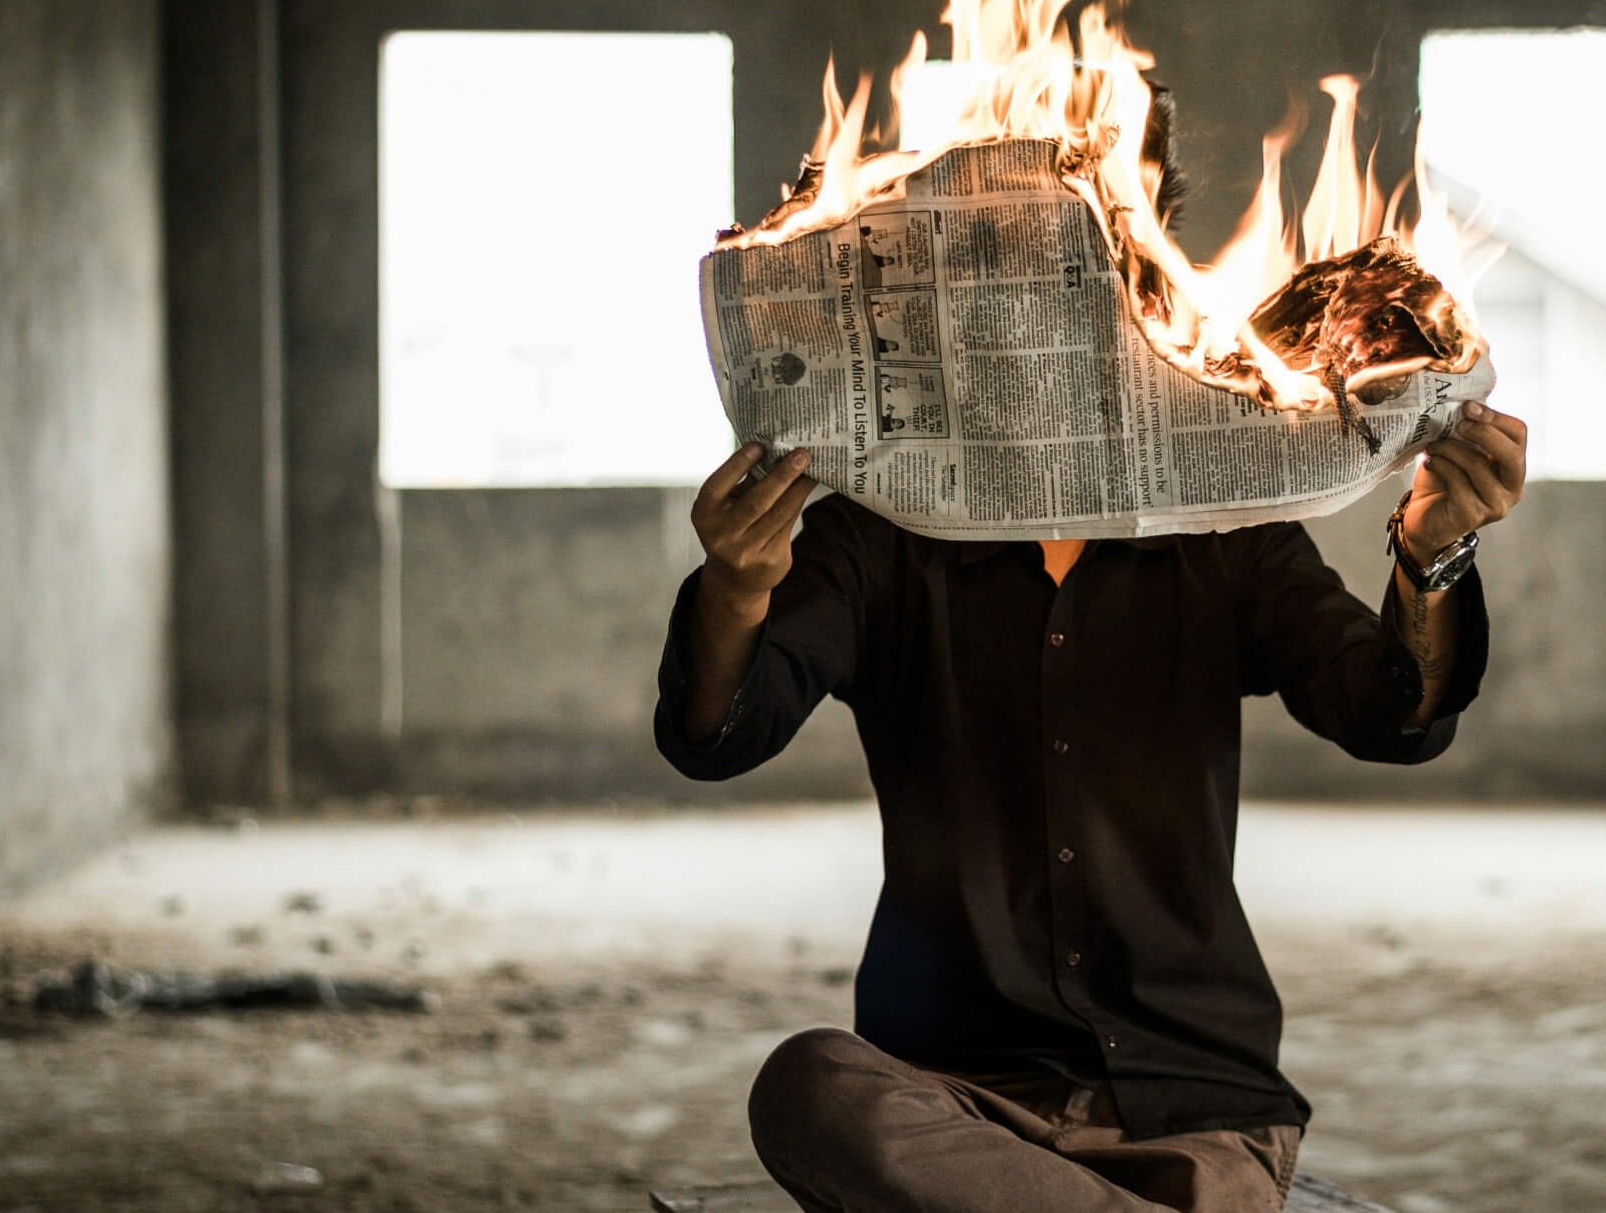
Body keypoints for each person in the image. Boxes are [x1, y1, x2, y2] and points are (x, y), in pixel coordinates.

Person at [654, 399, 1526, 1212]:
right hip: (956, 1100)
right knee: (809, 1086)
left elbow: (1390, 716)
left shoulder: (1224, 536)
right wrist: (736, 588)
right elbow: (720, 736)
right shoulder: (879, 540)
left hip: (1191, 1108)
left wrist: (1430, 553)